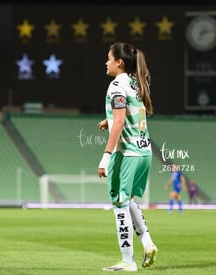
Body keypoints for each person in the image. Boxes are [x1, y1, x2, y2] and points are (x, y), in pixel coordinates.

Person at [97, 42, 157, 272]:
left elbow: (121, 122)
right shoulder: (136, 82)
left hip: (127, 153)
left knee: (119, 204)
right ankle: (147, 243)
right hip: (143, 151)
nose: (106, 62)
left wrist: (105, 157)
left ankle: (128, 261)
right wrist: (108, 120)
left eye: (108, 58)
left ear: (119, 62)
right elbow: (128, 114)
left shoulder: (117, 86)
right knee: (126, 199)